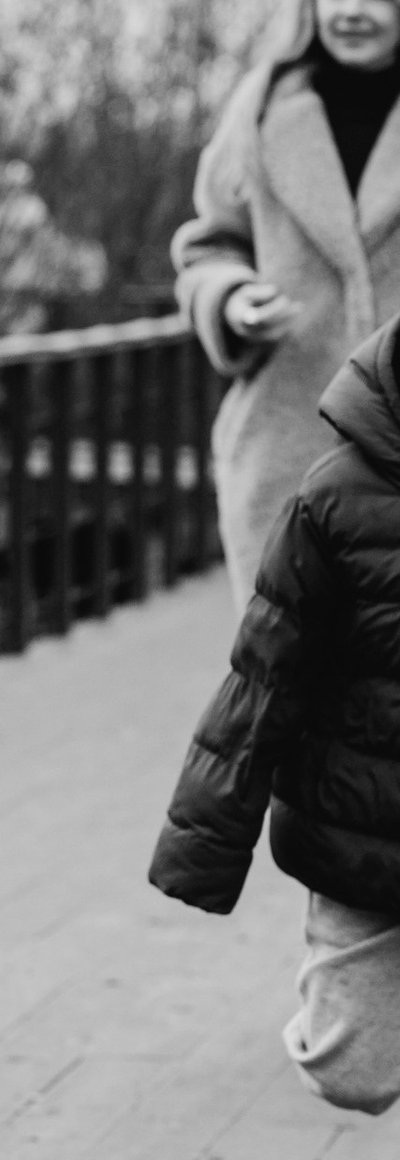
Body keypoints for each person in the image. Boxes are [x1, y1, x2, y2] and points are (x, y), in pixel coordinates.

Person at [151, 316, 400, 1115]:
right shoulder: (333, 498)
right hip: (365, 836)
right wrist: (204, 845)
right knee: (349, 1069)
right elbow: (263, 679)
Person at [173, 0, 400, 602]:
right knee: (290, 695)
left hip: (395, 446)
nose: (351, 10)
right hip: (286, 446)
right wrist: (231, 299)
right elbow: (209, 245)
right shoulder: (263, 109)